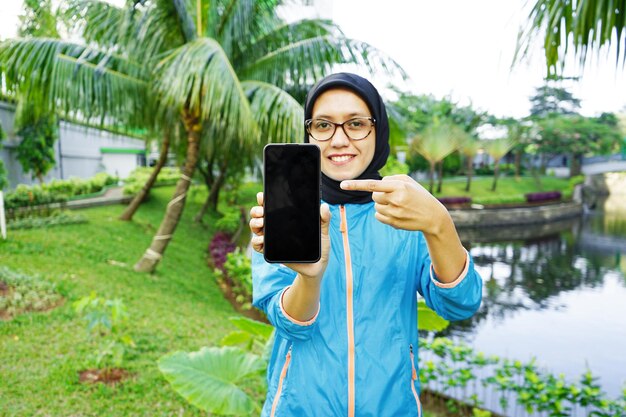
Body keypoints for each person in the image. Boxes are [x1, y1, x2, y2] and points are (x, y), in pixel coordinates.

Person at [249, 72, 483, 417]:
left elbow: (460, 305)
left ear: (379, 128)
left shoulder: (406, 210)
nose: (339, 140)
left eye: (356, 123)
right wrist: (309, 278)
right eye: (324, 125)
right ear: (308, 132)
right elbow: (288, 325)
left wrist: (439, 224)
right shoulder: (284, 212)